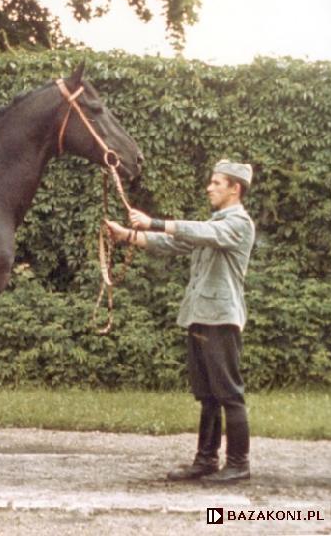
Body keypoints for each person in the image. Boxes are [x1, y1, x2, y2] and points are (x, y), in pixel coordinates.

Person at [105, 160, 255, 482]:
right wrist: (128, 235)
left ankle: (238, 463)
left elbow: (199, 232)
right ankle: (206, 460)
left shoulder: (238, 224)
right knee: (208, 395)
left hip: (221, 320)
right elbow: (172, 243)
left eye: (216, 183)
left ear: (235, 189)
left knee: (229, 393)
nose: (209, 188)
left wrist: (154, 221)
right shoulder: (214, 224)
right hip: (200, 317)